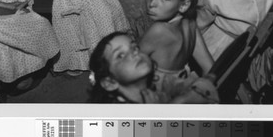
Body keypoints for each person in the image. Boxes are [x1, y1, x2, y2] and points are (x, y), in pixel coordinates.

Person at [139, 0, 214, 92]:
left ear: (184, 5)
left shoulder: (159, 30)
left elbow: (128, 69)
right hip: (176, 92)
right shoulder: (190, 24)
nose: (152, 3)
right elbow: (210, 68)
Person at [88, 31, 218, 103]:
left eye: (134, 47)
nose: (134, 54)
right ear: (110, 82)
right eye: (120, 55)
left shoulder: (155, 87)